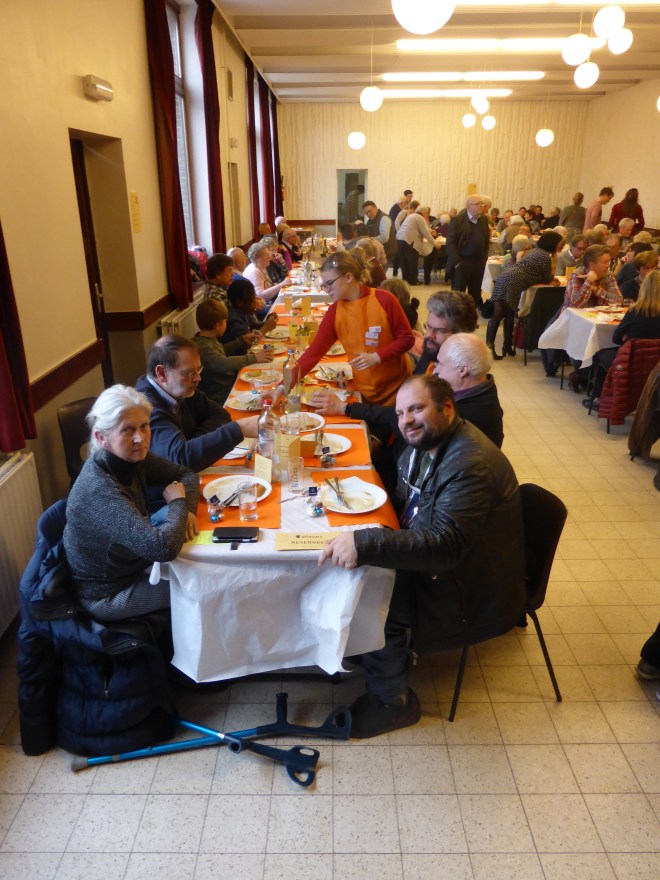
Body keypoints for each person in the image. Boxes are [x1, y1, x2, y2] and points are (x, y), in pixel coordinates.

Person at [318, 375, 525, 737]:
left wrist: (366, 543)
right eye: (400, 413)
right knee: (365, 563)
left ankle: (393, 702)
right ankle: (366, 645)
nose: (406, 421)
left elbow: (445, 547)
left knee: (375, 586)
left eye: (417, 409)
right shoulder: (428, 443)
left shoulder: (469, 463)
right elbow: (407, 501)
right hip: (455, 559)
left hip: (467, 584)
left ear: (448, 408)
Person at [63, 385, 199, 622]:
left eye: (144, 426)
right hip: (108, 594)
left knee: (197, 545)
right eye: (127, 430)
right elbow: (163, 550)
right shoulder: (99, 490)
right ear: (102, 438)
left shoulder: (130, 457)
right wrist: (179, 502)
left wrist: (188, 510)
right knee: (201, 584)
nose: (140, 439)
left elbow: (187, 475)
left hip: (132, 560)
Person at [293, 251, 414, 405]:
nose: (326, 289)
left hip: (399, 389)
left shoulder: (384, 299)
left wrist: (377, 357)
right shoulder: (335, 311)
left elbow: (407, 339)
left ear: (348, 277)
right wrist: (283, 386)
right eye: (324, 285)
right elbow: (313, 354)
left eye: (329, 283)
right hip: (363, 389)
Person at [135, 335, 258, 482]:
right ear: (161, 373)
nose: (197, 378)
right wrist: (238, 429)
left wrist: (194, 442)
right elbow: (182, 460)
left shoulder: (179, 389)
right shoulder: (146, 409)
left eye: (198, 370)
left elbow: (220, 414)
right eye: (188, 372)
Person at [583, 270, 660, 409]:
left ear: (644, 289)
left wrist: (627, 339)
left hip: (631, 362)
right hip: (656, 365)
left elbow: (616, 338)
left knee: (602, 353)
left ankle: (598, 398)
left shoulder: (635, 311)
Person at [487, 231, 563, 359]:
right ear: (553, 243)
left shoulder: (534, 251)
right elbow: (546, 277)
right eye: (559, 243)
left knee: (498, 315)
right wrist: (553, 276)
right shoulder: (545, 256)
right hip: (515, 281)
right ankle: (506, 347)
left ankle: (492, 348)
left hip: (505, 277)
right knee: (508, 316)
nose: (560, 246)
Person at [195, 297, 274, 406]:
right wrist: (254, 358)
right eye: (225, 322)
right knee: (263, 388)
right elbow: (221, 363)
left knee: (264, 383)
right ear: (218, 326)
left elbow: (222, 350)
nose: (226, 324)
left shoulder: (207, 340)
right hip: (222, 395)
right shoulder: (203, 347)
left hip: (228, 385)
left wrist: (241, 340)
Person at [445, 194, 491, 311]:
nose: (481, 206)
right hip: (462, 262)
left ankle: (471, 315)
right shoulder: (457, 220)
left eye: (482, 204)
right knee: (458, 293)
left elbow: (486, 240)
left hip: (479, 263)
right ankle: (455, 316)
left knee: (475, 292)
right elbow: (450, 243)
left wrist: (484, 258)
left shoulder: (483, 219)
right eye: (478, 204)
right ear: (468, 206)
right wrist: (457, 262)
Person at [560, 244, 623, 314]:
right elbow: (575, 304)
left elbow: (618, 301)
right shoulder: (577, 275)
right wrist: (588, 282)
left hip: (600, 318)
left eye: (608, 262)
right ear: (591, 265)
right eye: (605, 262)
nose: (608, 266)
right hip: (574, 318)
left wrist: (595, 289)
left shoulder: (608, 275)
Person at [220, 277, 278, 347]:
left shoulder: (243, 311)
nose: (255, 302)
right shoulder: (234, 320)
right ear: (240, 302)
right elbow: (249, 344)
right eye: (252, 299)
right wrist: (265, 329)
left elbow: (254, 327)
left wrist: (267, 322)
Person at [395, 205, 437, 286]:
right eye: (427, 213)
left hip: (400, 239)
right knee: (412, 261)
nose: (428, 215)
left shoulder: (412, 216)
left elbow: (422, 228)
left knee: (404, 262)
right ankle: (413, 281)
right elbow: (425, 232)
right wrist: (434, 243)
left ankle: (405, 280)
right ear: (423, 212)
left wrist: (430, 231)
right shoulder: (420, 217)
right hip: (409, 240)